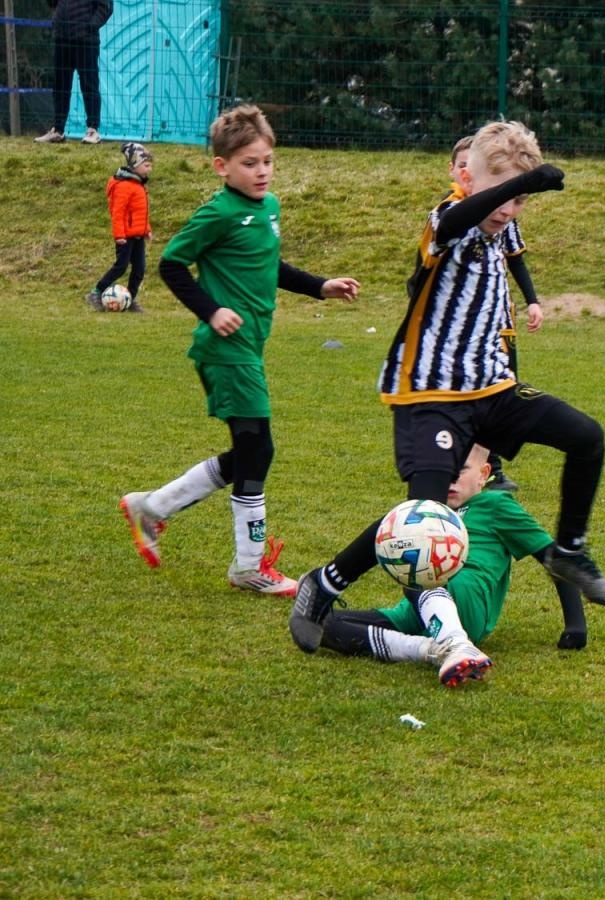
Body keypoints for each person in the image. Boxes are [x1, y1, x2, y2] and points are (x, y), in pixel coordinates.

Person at [289, 120, 605, 662]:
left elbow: (511, 243)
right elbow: (464, 216)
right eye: (499, 192)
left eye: (518, 200)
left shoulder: (502, 223)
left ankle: (570, 550)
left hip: (492, 389)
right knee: (423, 517)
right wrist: (519, 184)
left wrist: (518, 197)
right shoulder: (450, 215)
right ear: (467, 176)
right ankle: (324, 583)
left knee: (587, 437)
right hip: (430, 395)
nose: (508, 208)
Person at [119, 105, 361, 595]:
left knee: (251, 450)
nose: (262, 171)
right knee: (258, 448)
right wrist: (210, 310)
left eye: (267, 160)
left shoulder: (267, 208)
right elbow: (170, 266)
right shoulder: (217, 212)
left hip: (248, 346)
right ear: (222, 166)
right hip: (226, 349)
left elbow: (269, 265)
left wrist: (320, 286)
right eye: (250, 163)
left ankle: (153, 507)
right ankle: (248, 566)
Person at [311, 445, 598, 687]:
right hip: (418, 609)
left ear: (483, 475)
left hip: (466, 602)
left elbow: (555, 559)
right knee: (322, 625)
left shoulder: (496, 505)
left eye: (459, 471)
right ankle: (431, 650)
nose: (449, 479)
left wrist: (575, 624)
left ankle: (456, 640)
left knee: (422, 561)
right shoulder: (430, 509)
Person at [448, 134, 540, 492]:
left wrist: (532, 300)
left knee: (500, 396)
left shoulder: (503, 215)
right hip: (460, 337)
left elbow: (516, 259)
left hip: (500, 326)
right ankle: (451, 465)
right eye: (461, 166)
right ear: (456, 171)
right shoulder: (448, 218)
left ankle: (491, 468)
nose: (507, 208)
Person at [34, 0, 113, 145]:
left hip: (86, 41)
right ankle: (58, 130)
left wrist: (90, 25)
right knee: (60, 87)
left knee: (89, 85)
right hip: (62, 38)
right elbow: (52, 3)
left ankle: (93, 130)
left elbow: (106, 7)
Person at [89, 141, 153, 312]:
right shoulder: (124, 186)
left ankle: (129, 299)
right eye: (146, 165)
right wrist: (120, 236)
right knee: (121, 267)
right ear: (134, 165)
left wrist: (146, 230)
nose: (149, 169)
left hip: (138, 236)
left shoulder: (138, 184)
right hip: (125, 237)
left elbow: (140, 212)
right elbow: (118, 214)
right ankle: (96, 292)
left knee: (139, 269)